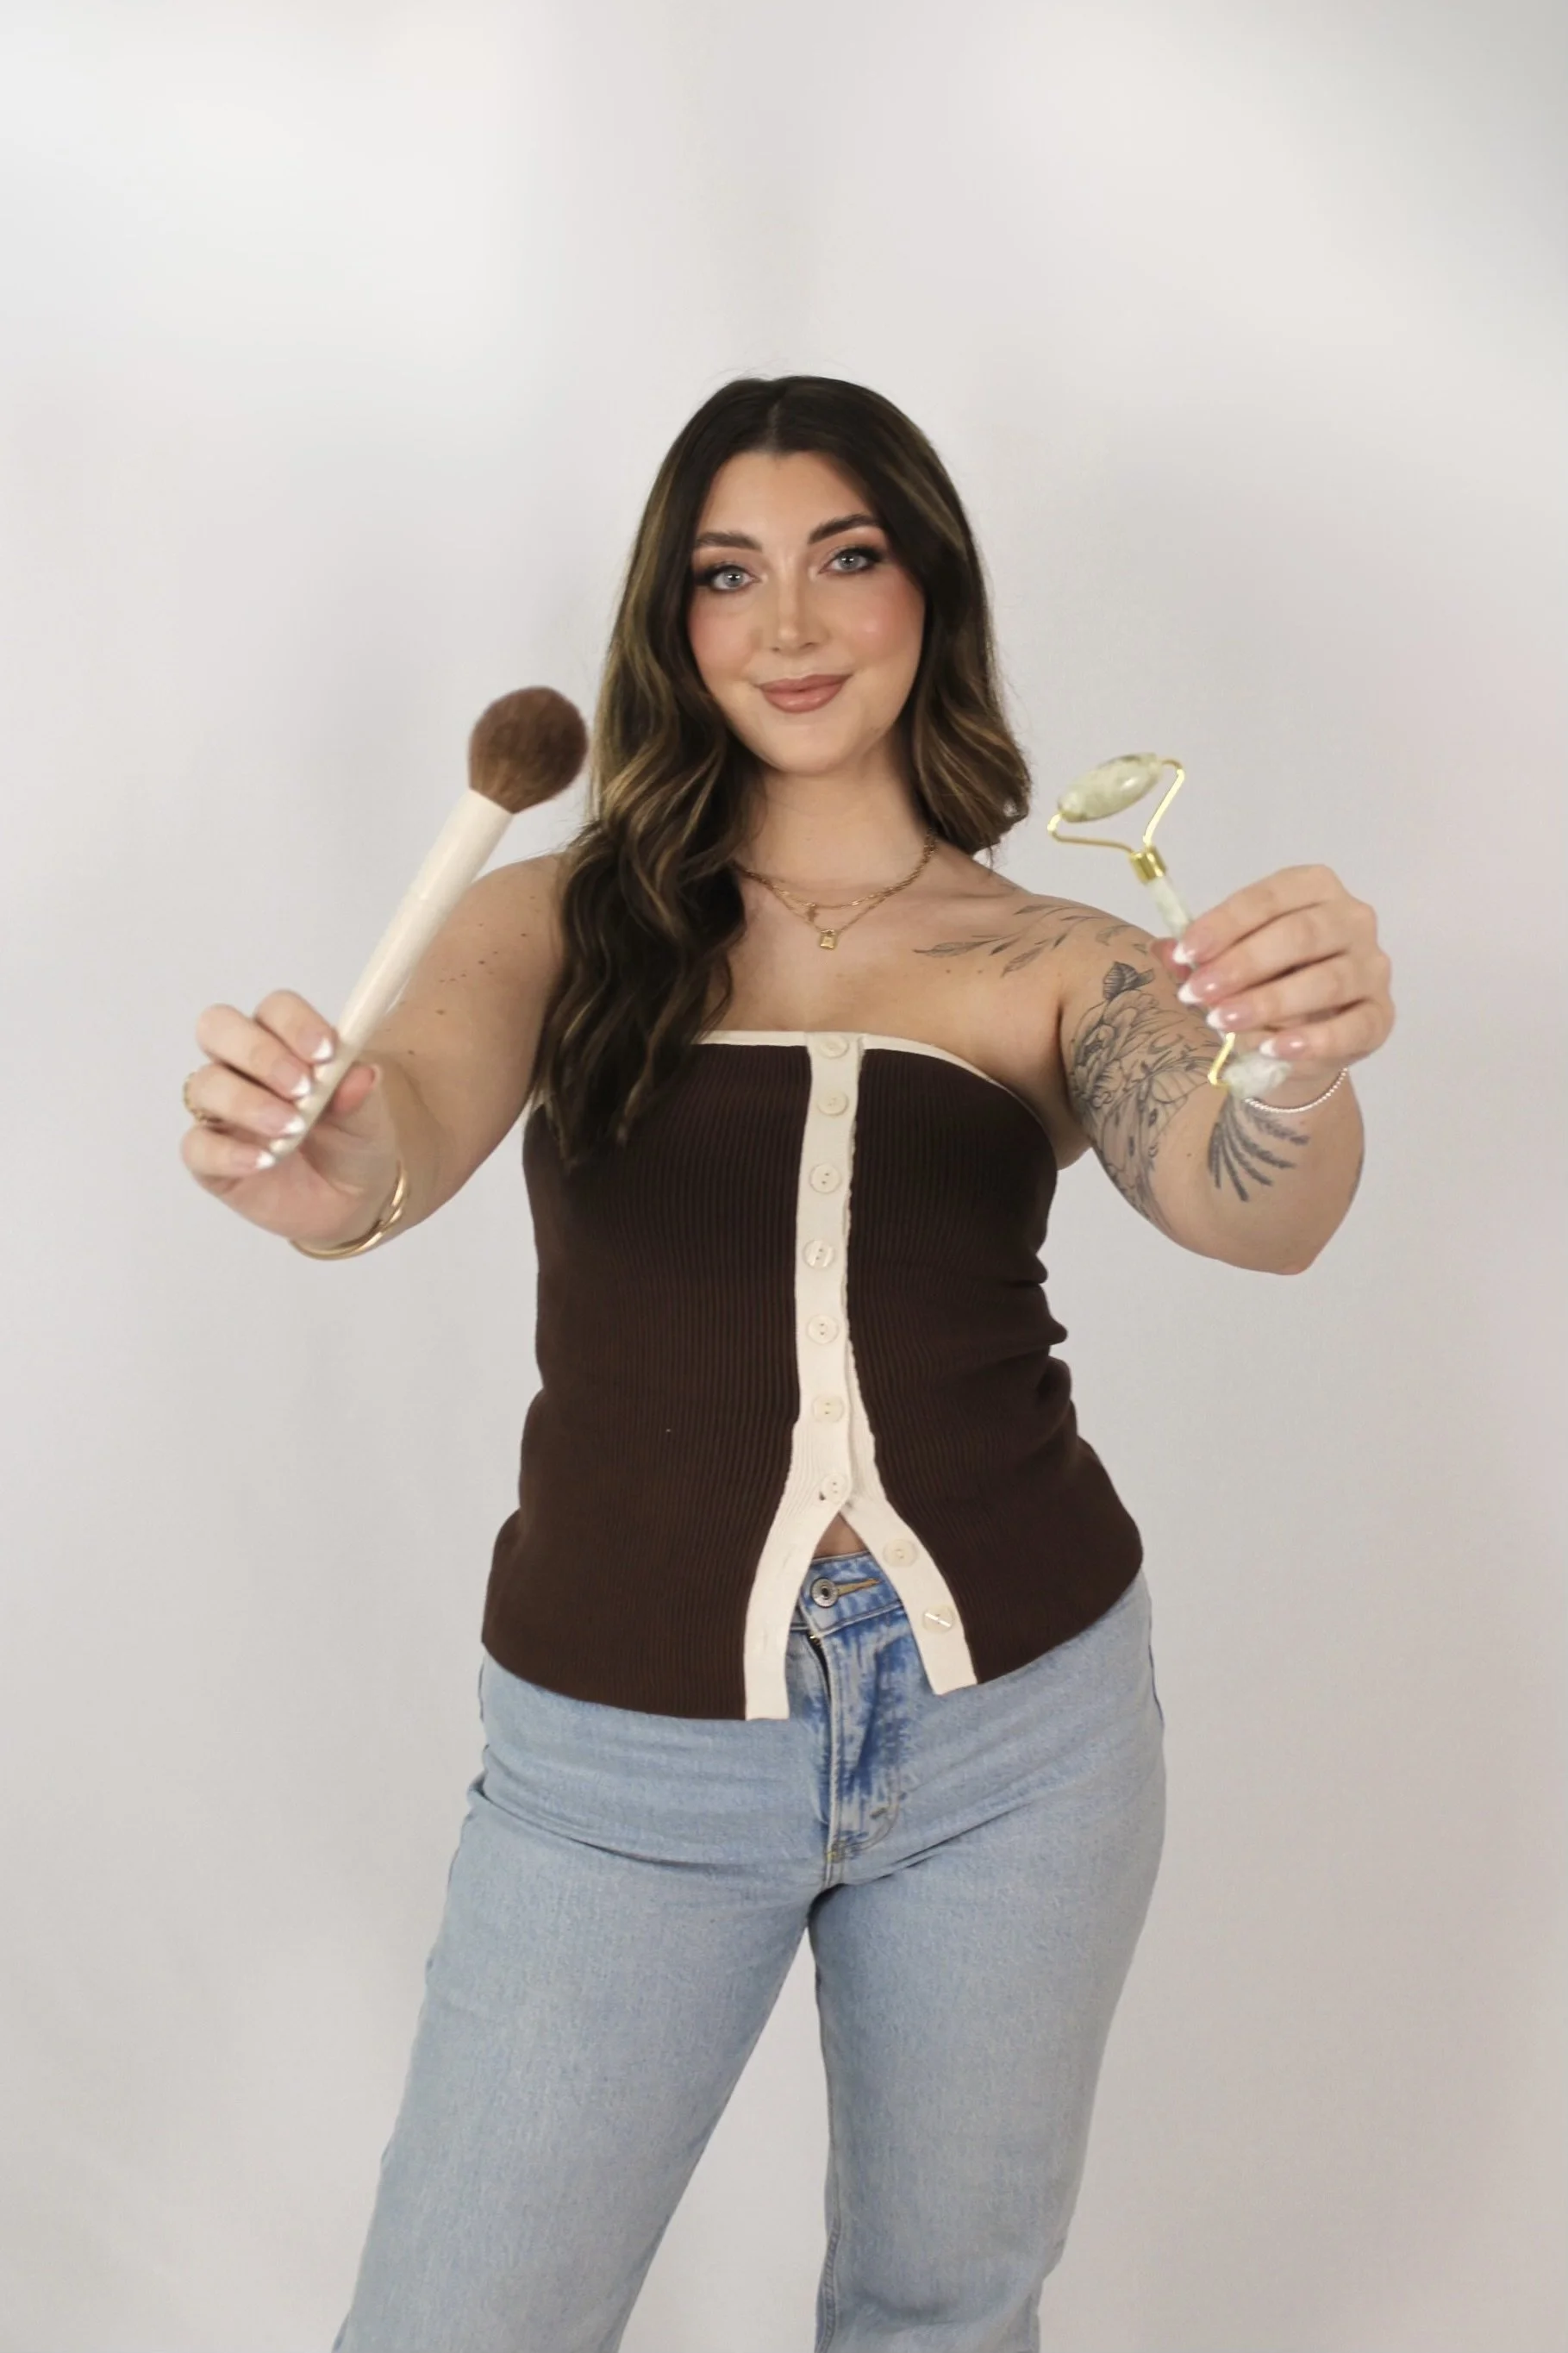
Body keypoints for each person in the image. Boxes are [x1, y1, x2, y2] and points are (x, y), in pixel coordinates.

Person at [179, 375, 1395, 2353]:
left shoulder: (1050, 957)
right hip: (622, 1761)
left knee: (941, 2308)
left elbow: (1260, 1196)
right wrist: (318, 1164)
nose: (795, 626)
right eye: (728, 575)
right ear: (674, 624)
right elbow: (386, 1138)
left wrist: (1303, 1062)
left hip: (1026, 1731)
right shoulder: (562, 918)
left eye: (849, 557)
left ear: (931, 591)